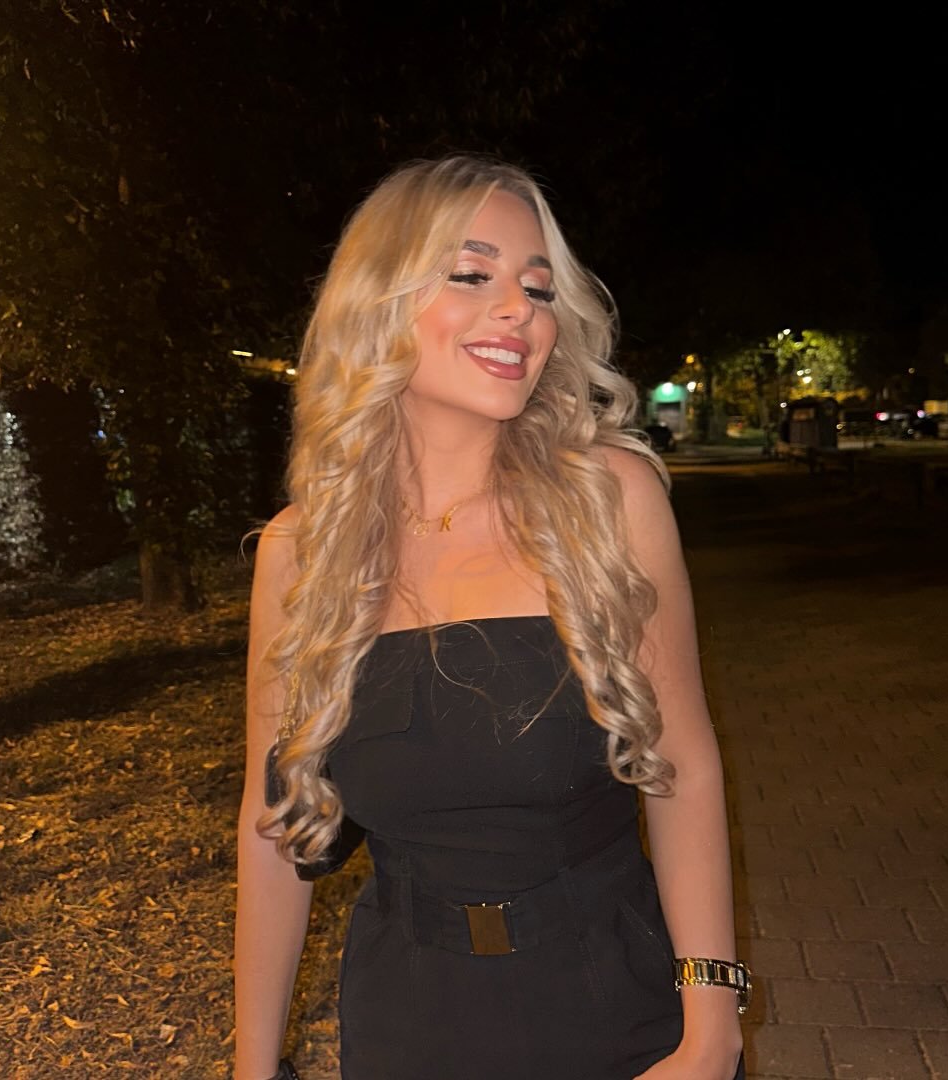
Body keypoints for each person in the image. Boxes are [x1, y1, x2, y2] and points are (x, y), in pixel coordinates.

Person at [234, 155, 747, 1080]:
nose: (520, 310)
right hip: (404, 1023)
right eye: (472, 275)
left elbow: (686, 767)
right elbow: (273, 831)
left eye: (538, 288)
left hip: (613, 1012)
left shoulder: (609, 501)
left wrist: (711, 1032)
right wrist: (253, 1068)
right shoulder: (301, 553)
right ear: (378, 304)